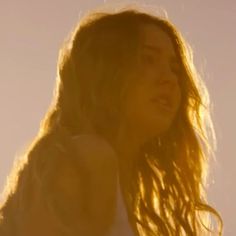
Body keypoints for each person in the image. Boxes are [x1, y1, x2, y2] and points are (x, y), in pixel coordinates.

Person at [0, 5, 223, 236]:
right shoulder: (90, 156)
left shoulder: (111, 175)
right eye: (147, 60)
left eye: (174, 68)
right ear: (106, 73)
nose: (169, 79)